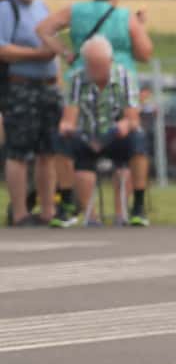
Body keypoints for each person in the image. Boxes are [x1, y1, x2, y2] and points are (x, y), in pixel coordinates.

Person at [36, 0, 155, 224]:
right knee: (127, 145)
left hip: (81, 79)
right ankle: (123, 212)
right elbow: (145, 52)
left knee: (79, 146)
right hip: (121, 86)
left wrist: (66, 53)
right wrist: (140, 26)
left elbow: (43, 29)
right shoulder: (125, 16)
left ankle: (90, 214)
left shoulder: (75, 11)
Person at [2, 0, 62, 226]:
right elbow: (3, 49)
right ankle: (20, 213)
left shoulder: (42, 7)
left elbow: (52, 42)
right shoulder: (6, 9)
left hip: (47, 86)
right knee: (18, 151)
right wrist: (38, 55)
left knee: (48, 151)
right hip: (21, 88)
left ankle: (48, 210)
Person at [57, 37, 140, 226]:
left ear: (110, 61)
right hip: (87, 135)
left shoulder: (124, 77)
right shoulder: (77, 79)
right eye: (91, 65)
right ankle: (87, 215)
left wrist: (125, 125)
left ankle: (122, 213)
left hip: (115, 136)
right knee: (65, 144)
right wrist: (67, 127)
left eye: (100, 65)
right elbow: (69, 118)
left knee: (135, 142)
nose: (96, 70)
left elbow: (133, 118)